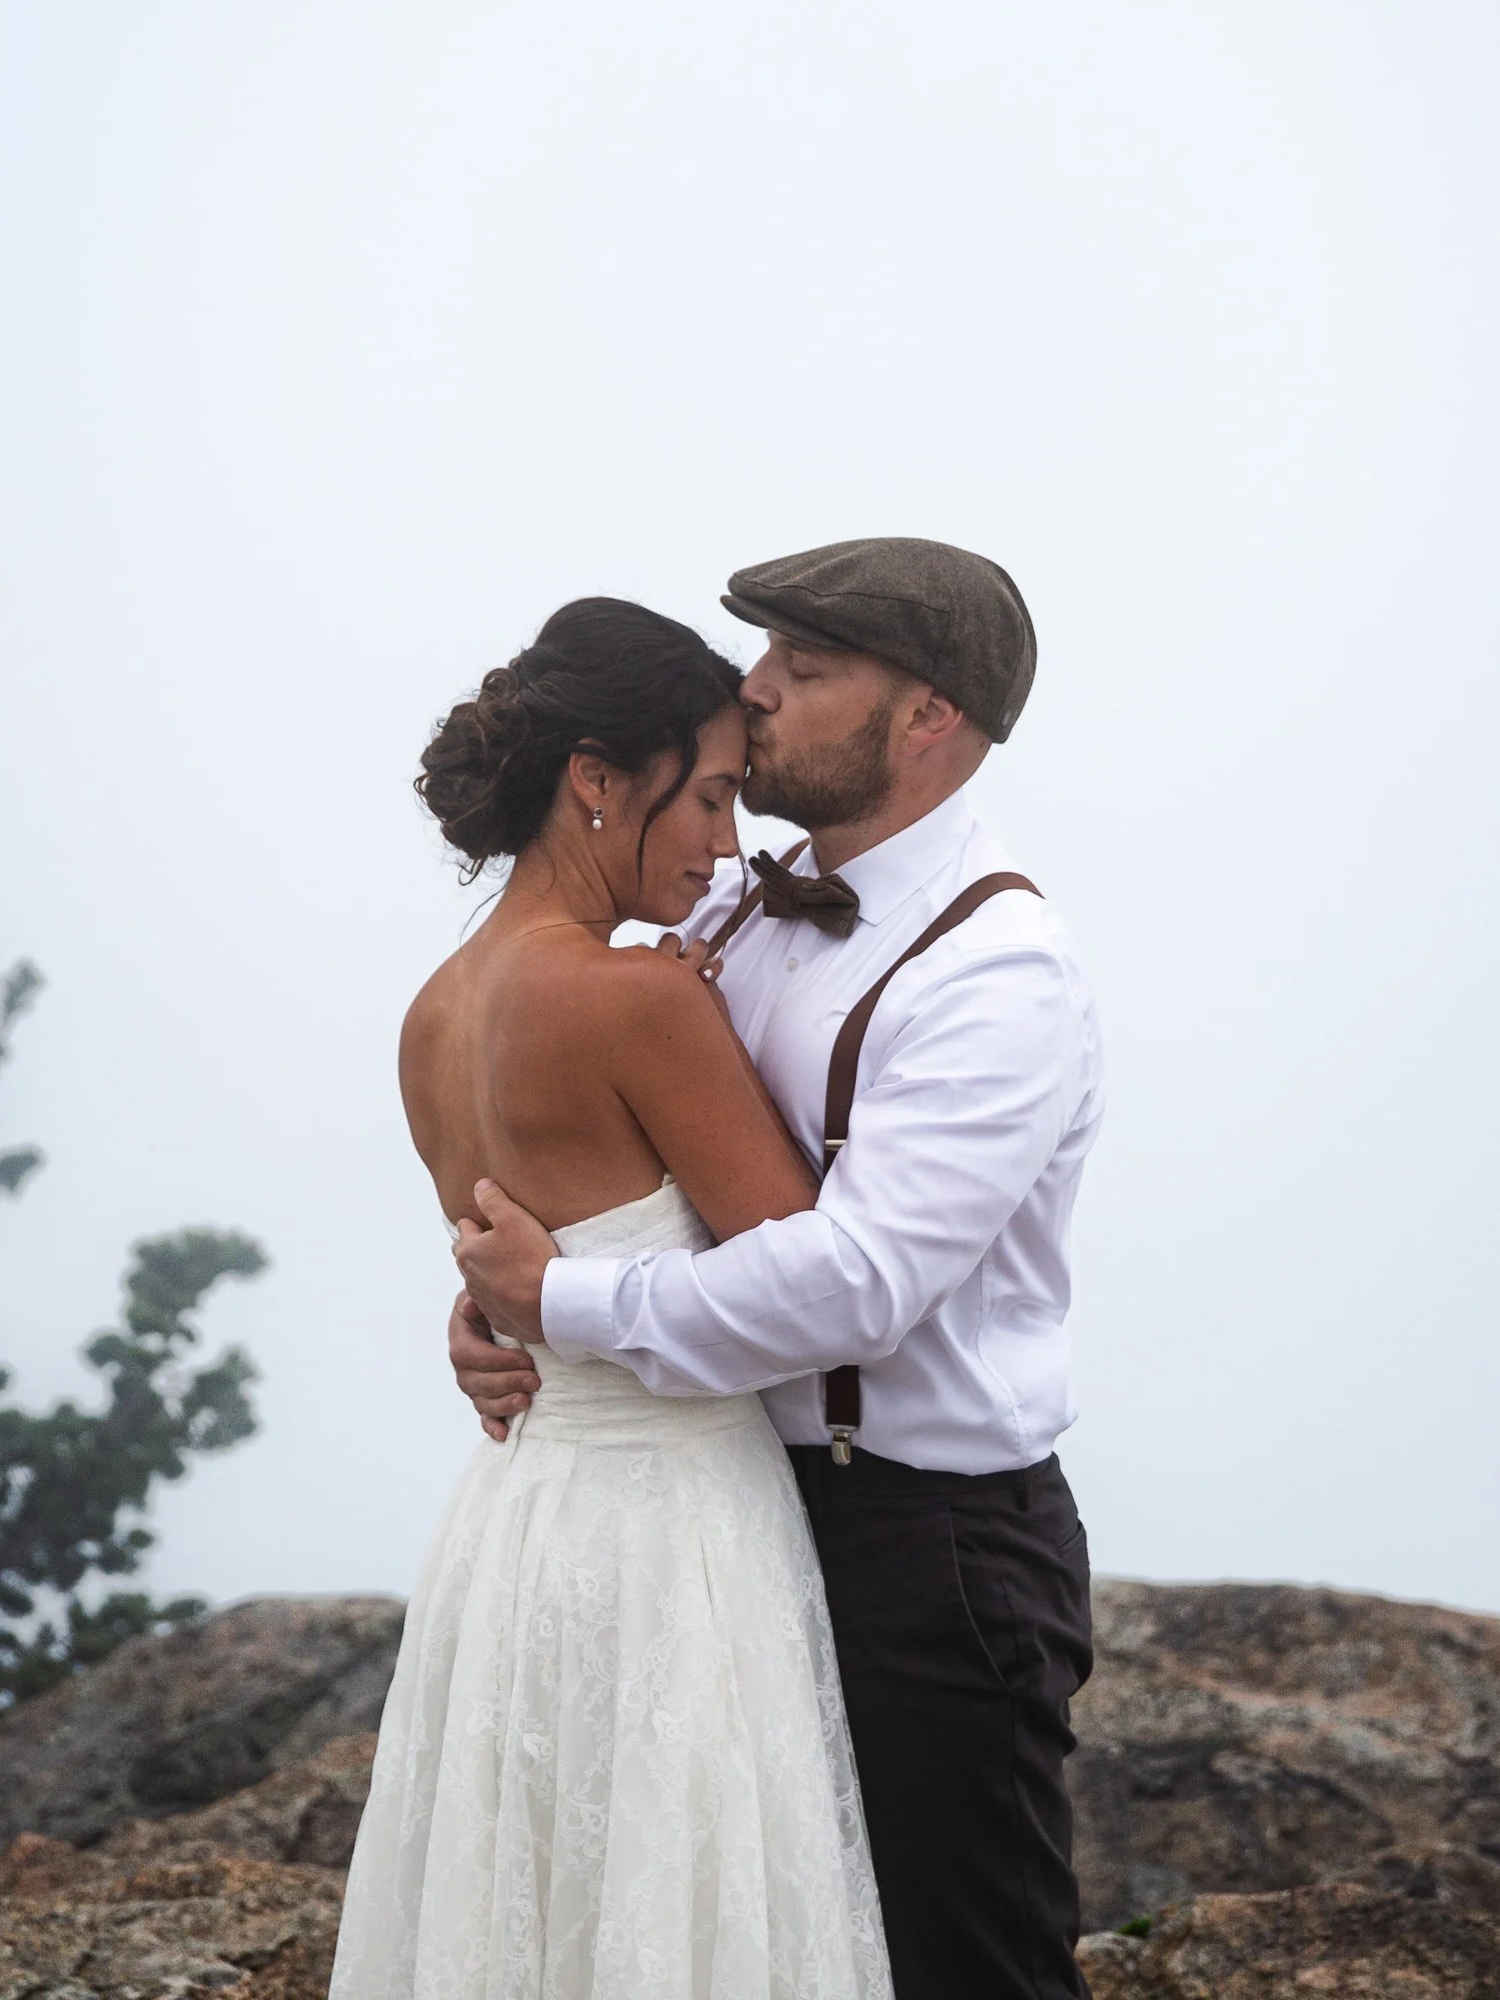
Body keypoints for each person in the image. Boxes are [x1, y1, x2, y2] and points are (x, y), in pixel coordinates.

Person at [451, 538, 1106, 2000]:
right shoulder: (729, 910)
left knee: (965, 1968)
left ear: (926, 716)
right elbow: (619, 1160)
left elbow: (858, 1281)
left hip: (930, 1550)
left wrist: (565, 1304)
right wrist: (497, 1306)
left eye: (803, 671)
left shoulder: (1000, 971)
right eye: (765, 659)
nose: (753, 693)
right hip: (726, 1513)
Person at [328, 597, 893, 2000]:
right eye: (707, 795)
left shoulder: (432, 1014)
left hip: (515, 1532)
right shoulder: (639, 1001)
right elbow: (804, 1278)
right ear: (596, 778)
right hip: (672, 1538)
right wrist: (694, 1021)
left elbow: (511, 1263)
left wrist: (491, 1321)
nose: (726, 841)